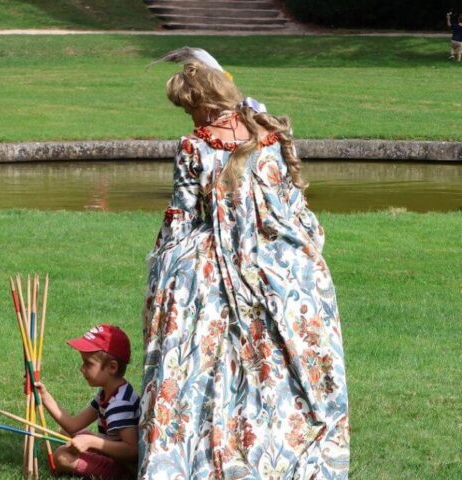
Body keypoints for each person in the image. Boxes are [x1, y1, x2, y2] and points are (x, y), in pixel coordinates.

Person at [138, 47, 350, 479]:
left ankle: (194, 455)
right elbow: (296, 209)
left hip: (209, 265)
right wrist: (307, 255)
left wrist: (162, 268)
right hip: (280, 266)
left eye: (189, 108)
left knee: (199, 356)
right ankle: (283, 448)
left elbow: (181, 216)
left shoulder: (194, 147)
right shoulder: (268, 135)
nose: (190, 119)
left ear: (202, 102)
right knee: (280, 358)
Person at [35, 324, 139, 480]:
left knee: (61, 456)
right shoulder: (107, 393)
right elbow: (72, 425)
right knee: (65, 433)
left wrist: (91, 442)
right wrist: (44, 396)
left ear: (112, 367)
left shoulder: (120, 404)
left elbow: (132, 451)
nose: (82, 369)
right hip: (111, 451)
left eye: (88, 363)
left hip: (125, 467)